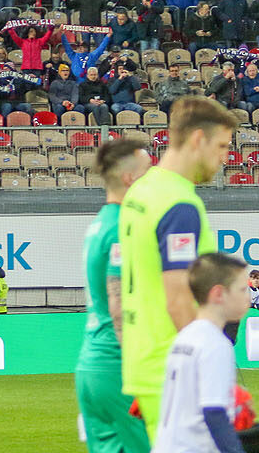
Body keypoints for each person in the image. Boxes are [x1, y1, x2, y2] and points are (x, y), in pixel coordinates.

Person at [118, 98, 238, 441]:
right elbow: (180, 298)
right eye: (221, 146)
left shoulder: (142, 190)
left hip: (148, 357)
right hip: (175, 365)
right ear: (198, 139)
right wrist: (207, 371)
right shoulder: (178, 203)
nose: (225, 157)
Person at [153, 253, 259, 453]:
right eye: (242, 290)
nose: (248, 296)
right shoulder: (215, 344)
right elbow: (214, 413)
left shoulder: (186, 336)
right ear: (219, 294)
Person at [77, 137, 153, 453]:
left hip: (92, 363)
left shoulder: (99, 224)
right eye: (147, 173)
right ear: (129, 178)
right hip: (117, 363)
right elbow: (118, 301)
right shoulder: (124, 225)